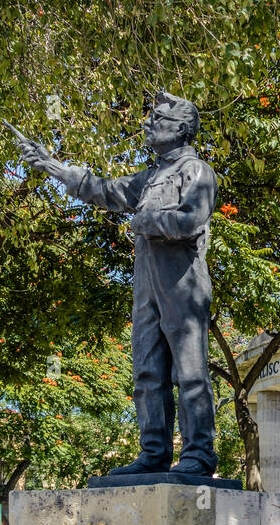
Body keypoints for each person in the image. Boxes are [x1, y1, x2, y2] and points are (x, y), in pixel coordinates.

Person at [12, 92, 219, 476]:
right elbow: (105, 190)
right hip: (148, 288)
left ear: (180, 129)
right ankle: (154, 452)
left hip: (183, 284)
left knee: (189, 372)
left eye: (156, 119)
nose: (147, 124)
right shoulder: (151, 177)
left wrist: (146, 222)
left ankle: (199, 454)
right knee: (147, 370)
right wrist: (53, 166)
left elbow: (191, 221)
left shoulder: (197, 172)